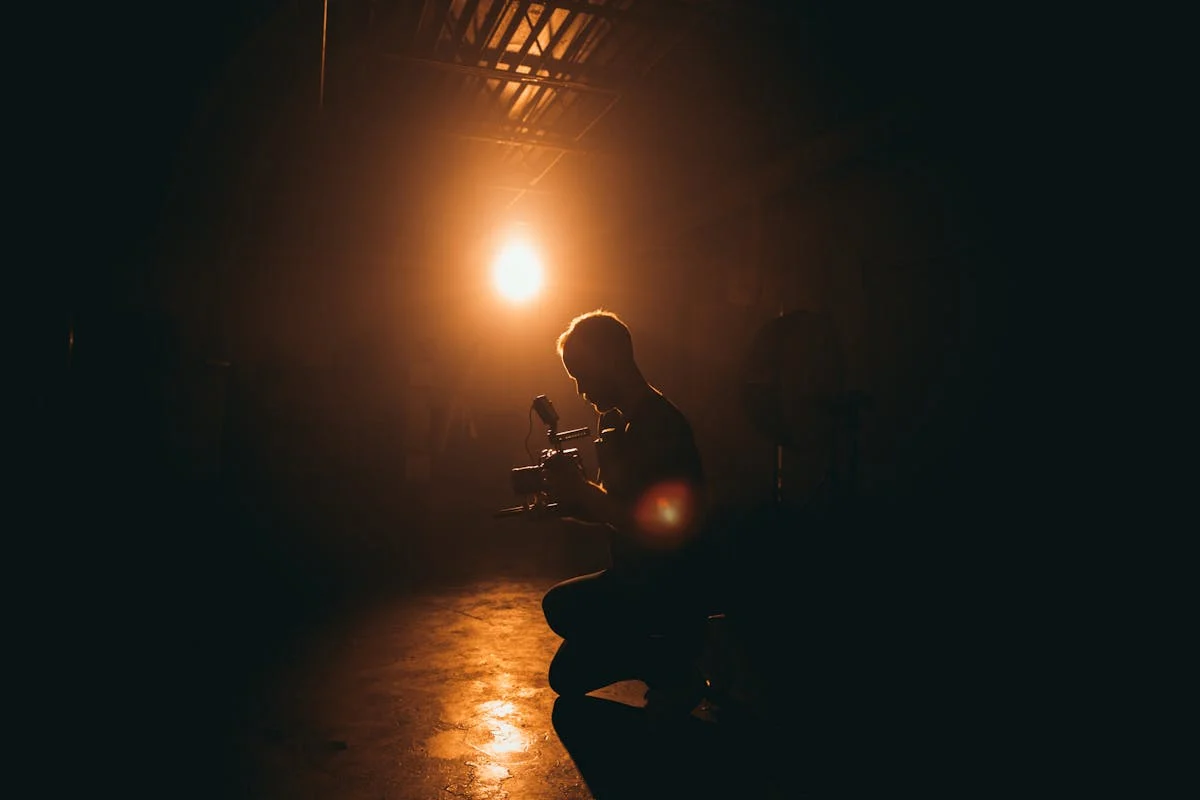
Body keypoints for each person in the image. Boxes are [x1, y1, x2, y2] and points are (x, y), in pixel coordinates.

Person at [541, 309, 713, 719]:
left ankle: (673, 663)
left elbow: (658, 527)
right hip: (634, 577)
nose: (581, 389)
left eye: (582, 374)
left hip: (668, 584)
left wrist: (584, 493)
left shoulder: (660, 426)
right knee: (564, 668)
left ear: (610, 361)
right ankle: (657, 656)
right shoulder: (619, 425)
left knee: (563, 610)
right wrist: (566, 503)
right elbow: (614, 512)